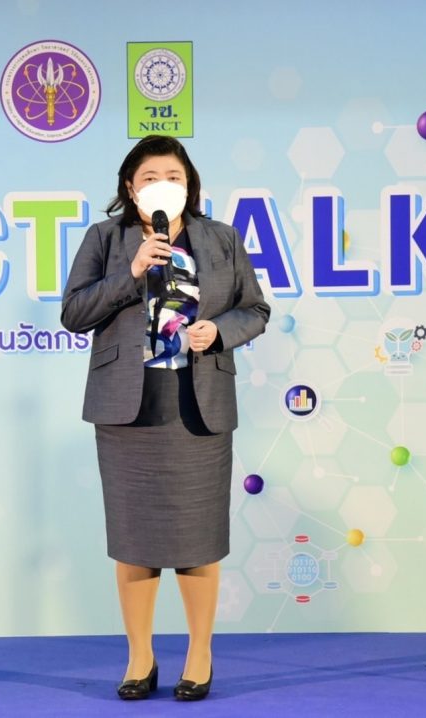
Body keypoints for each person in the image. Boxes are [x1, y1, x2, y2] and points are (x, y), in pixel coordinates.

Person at [60, 135, 271, 701]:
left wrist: (219, 331)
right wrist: (131, 273)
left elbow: (255, 308)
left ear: (189, 184)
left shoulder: (221, 239)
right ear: (131, 188)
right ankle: (140, 657)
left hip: (197, 403)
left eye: (173, 177)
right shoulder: (105, 239)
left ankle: (200, 655)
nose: (163, 185)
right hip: (127, 407)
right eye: (150, 177)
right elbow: (74, 312)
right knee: (135, 540)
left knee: (198, 539)